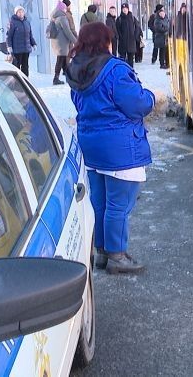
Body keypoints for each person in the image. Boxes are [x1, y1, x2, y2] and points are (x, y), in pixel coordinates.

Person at [66, 22, 154, 274]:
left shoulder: (76, 70)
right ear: (106, 41)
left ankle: (103, 252)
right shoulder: (114, 70)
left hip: (91, 145)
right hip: (119, 148)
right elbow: (136, 103)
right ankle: (117, 255)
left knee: (101, 201)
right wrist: (148, 95)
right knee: (119, 204)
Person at [49, 0, 77, 85]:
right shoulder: (62, 18)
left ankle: (68, 76)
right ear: (62, 9)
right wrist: (75, 41)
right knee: (60, 60)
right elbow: (67, 31)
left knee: (64, 60)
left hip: (57, 42)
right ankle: (56, 78)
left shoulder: (54, 17)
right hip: (62, 43)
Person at [6, 6, 36, 76]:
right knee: (16, 66)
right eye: (19, 12)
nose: (21, 13)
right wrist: (9, 46)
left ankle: (25, 80)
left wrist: (33, 44)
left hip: (26, 49)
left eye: (22, 11)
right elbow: (9, 36)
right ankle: (16, 82)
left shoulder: (27, 22)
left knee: (25, 66)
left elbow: (30, 35)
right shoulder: (12, 23)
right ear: (16, 13)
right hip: (17, 50)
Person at [115, 3, 141, 67]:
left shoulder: (132, 17)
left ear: (128, 9)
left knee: (131, 59)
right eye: (123, 9)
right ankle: (123, 72)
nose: (124, 10)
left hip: (131, 42)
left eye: (126, 9)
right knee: (122, 59)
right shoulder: (119, 19)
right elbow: (117, 30)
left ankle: (131, 71)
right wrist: (120, 37)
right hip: (122, 43)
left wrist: (135, 36)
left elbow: (137, 27)